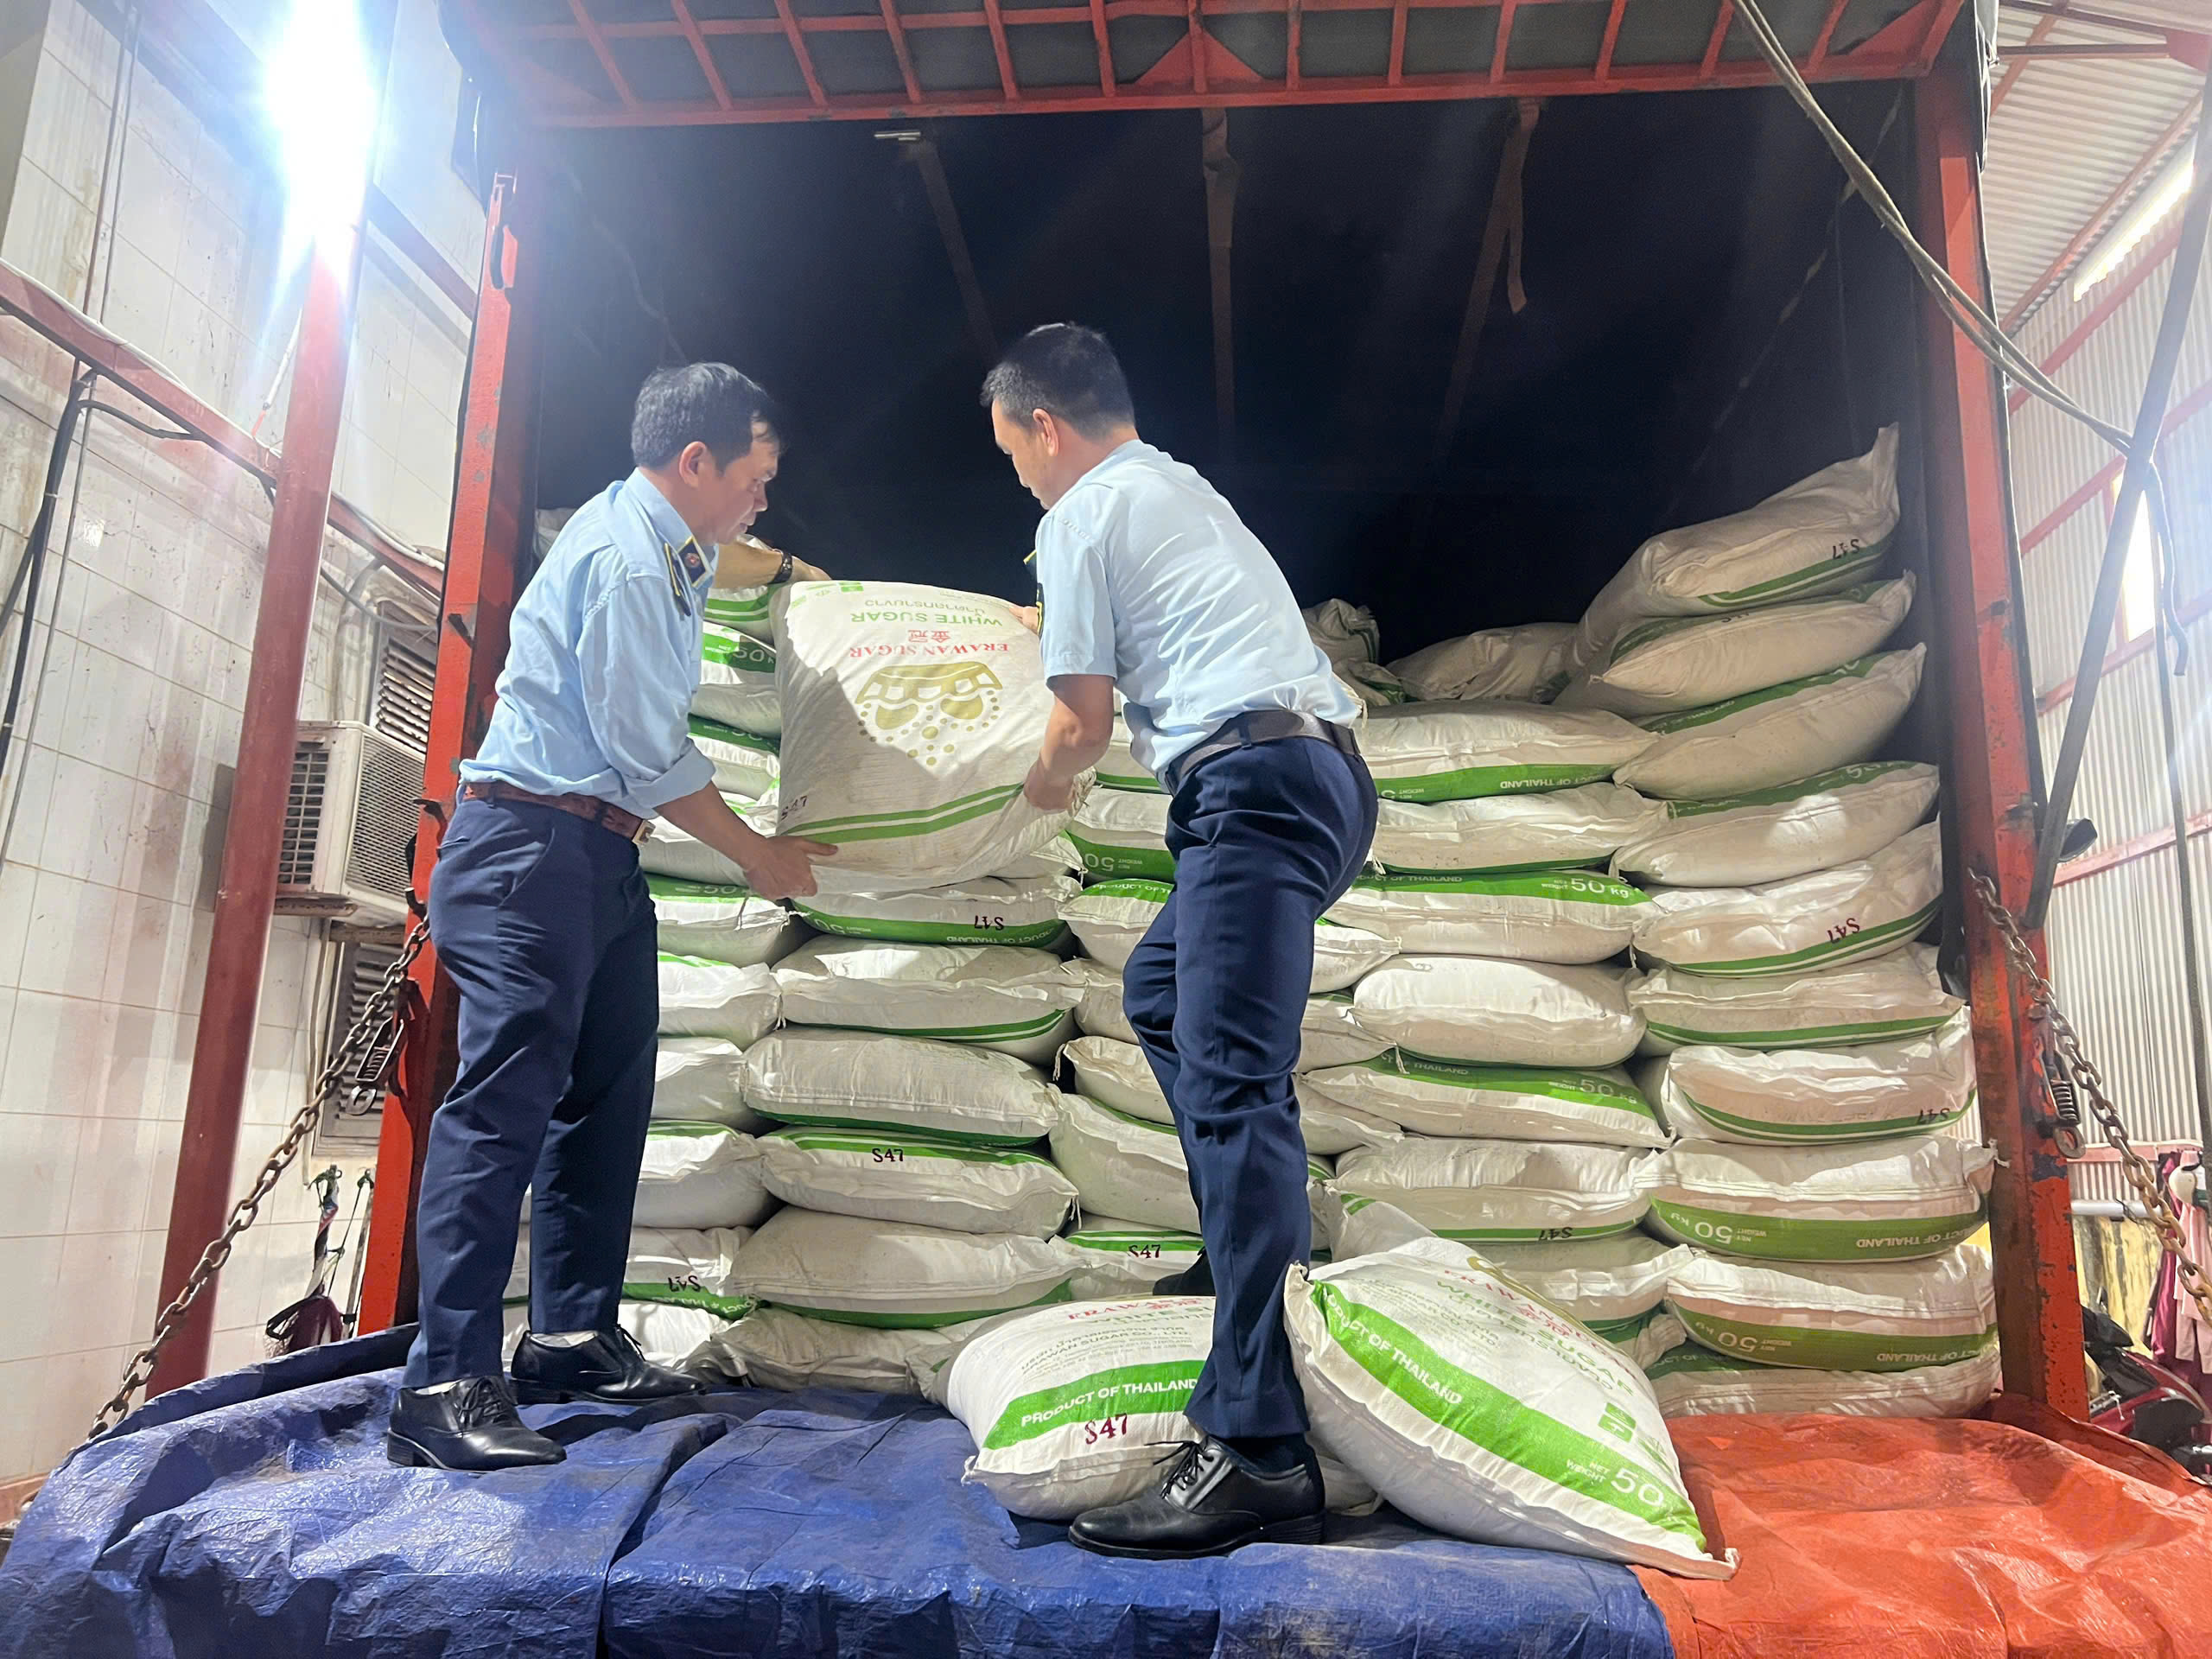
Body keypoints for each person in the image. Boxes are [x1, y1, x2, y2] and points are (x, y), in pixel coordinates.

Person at [386, 363, 835, 1472]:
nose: (762, 500)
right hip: (530, 849)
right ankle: (442, 1385)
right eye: (756, 477)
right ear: (696, 461)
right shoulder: (629, 562)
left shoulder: (671, 544)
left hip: (595, 853)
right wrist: (758, 856)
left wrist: (804, 574)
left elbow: (743, 558)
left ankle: (569, 1337)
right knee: (502, 1113)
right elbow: (646, 748)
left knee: (606, 1098)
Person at [986, 324, 1376, 1558]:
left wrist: (1028, 796)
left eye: (1016, 456)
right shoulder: (1172, 487)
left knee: (1233, 1078)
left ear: (1045, 425)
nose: (1023, 481)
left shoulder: (1082, 512)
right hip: (1315, 779)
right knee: (1164, 997)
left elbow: (1079, 725)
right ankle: (1238, 1261)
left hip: (1252, 785)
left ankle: (1258, 1447)